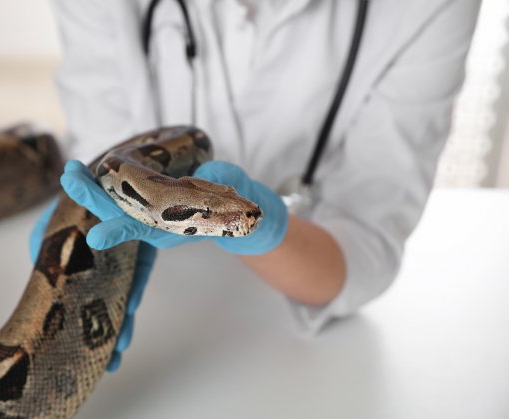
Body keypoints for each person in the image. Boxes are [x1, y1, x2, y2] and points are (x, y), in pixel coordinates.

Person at [31, 0, 481, 371]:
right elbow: (99, 150)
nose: (237, 212)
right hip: (179, 326)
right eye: (211, 212)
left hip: (277, 338)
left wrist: (272, 231)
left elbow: (367, 247)